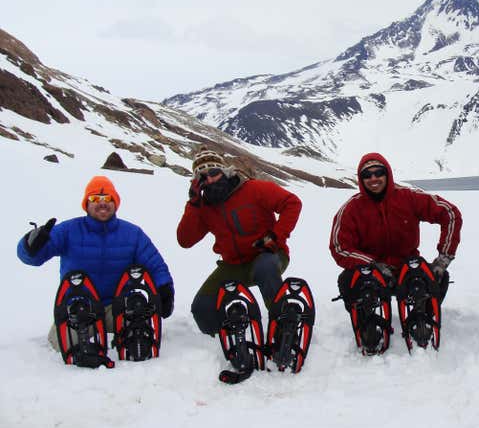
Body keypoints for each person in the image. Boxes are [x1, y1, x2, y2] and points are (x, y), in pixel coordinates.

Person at [16, 175, 174, 350]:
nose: (102, 203)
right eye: (95, 199)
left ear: (115, 203)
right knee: (63, 345)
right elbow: (33, 258)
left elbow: (155, 265)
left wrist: (164, 289)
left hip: (118, 305)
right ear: (86, 204)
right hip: (79, 307)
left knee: (139, 338)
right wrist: (29, 246)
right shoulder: (68, 230)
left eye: (107, 198)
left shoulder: (132, 234)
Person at [176, 146, 302, 335]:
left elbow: (292, 203)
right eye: (202, 177)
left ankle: (284, 326)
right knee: (202, 308)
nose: (209, 179)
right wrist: (193, 204)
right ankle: (230, 338)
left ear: (224, 171)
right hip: (233, 265)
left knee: (265, 268)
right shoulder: (204, 208)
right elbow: (185, 240)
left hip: (268, 253)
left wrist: (275, 237)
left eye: (213, 173)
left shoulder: (254, 189)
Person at [329, 152, 462, 309]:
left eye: (379, 172)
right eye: (367, 175)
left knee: (438, 277)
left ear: (387, 174)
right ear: (361, 179)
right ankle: (367, 320)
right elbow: (340, 248)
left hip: (408, 268)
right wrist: (373, 264)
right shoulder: (351, 209)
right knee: (347, 280)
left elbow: (450, 213)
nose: (373, 178)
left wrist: (443, 259)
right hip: (372, 271)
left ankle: (423, 316)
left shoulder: (408, 197)